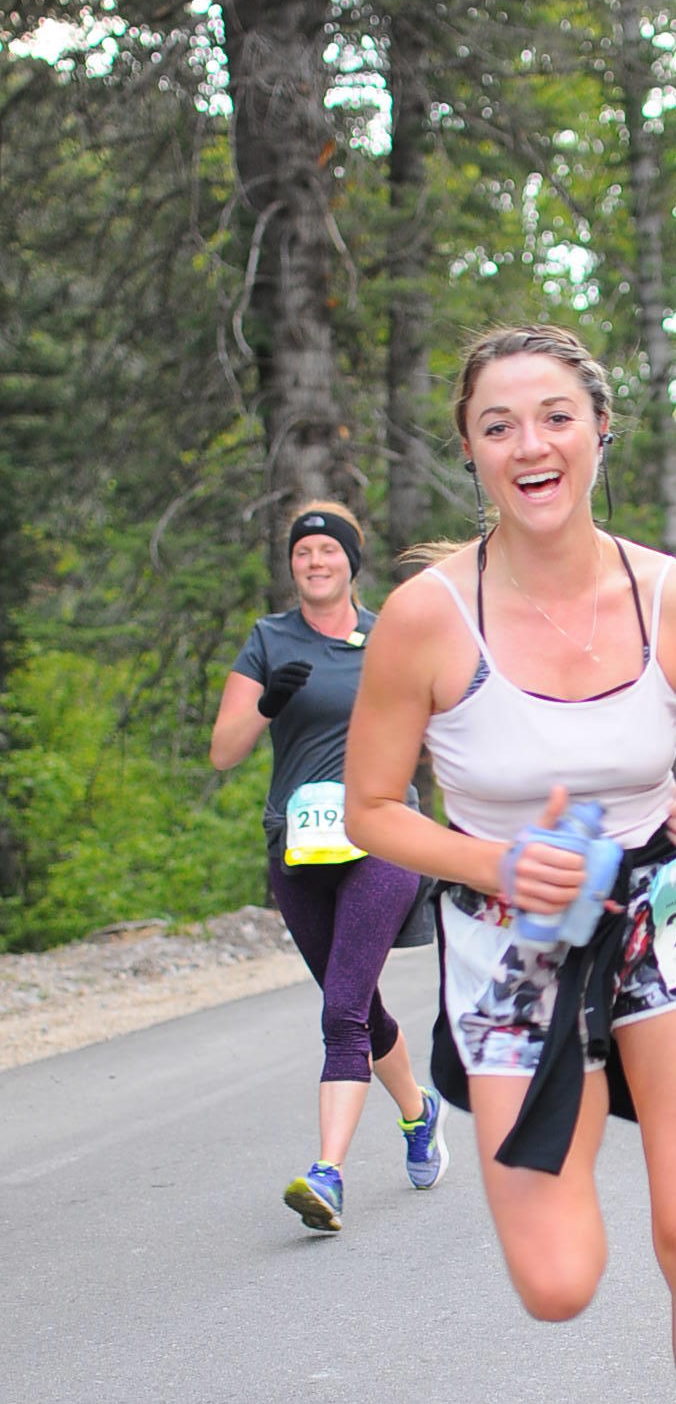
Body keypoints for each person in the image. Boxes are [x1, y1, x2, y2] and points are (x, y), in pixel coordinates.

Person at [342, 323, 676, 1404]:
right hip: (515, 942)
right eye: (498, 425)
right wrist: (493, 862)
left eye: (552, 416)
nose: (529, 444)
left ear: (598, 429)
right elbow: (369, 809)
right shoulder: (425, 619)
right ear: (471, 452)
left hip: (668, 917)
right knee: (556, 1283)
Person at [209, 502, 449, 1233]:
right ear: (292, 565)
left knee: (340, 1012)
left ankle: (328, 1174)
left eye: (329, 550)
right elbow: (223, 751)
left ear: (352, 561)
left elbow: (441, 722)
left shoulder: (390, 636)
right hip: (299, 848)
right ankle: (419, 1112)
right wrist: (268, 702)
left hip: (382, 837)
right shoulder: (268, 639)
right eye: (303, 552)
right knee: (358, 1005)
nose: (315, 562)